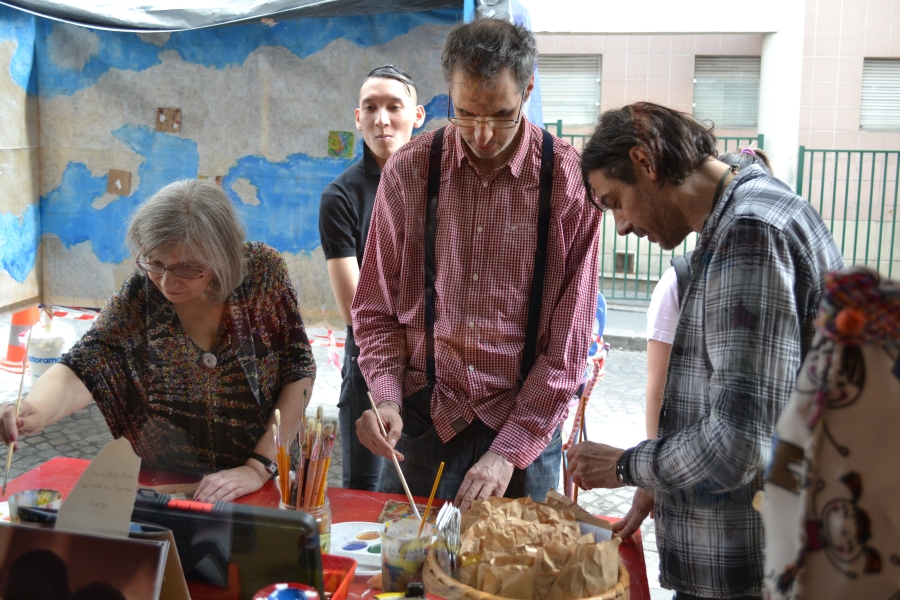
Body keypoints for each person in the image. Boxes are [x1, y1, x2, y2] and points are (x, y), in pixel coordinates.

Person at [568, 102, 843, 600]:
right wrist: (663, 480)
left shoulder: (751, 233)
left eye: (615, 202)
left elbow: (739, 442)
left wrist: (627, 465)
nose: (621, 226)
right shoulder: (741, 216)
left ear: (645, 162)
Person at [352, 16, 601, 512]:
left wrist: (508, 452)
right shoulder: (409, 170)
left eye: (502, 115)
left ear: (528, 90)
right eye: (465, 113)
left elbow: (569, 345)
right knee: (408, 558)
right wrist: (386, 397)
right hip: (424, 423)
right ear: (448, 91)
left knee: (514, 563)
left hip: (524, 431)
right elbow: (375, 310)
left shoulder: (569, 181)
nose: (483, 135)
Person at [1, 179, 316, 503]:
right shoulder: (142, 294)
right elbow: (84, 367)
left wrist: (257, 467)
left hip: (262, 479)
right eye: (156, 263)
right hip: (166, 483)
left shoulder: (261, 272)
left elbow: (299, 372)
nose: (167, 283)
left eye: (186, 268)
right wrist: (33, 408)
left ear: (222, 256)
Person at [319, 65, 425, 491]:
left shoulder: (442, 186)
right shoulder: (340, 197)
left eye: (394, 107)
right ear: (357, 117)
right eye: (371, 108)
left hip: (434, 369)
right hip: (370, 362)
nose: (382, 119)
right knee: (368, 494)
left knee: (427, 494)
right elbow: (355, 309)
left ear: (417, 115)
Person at [645, 148, 772, 439]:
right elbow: (658, 387)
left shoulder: (775, 274)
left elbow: (657, 386)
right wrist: (651, 458)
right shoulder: (679, 280)